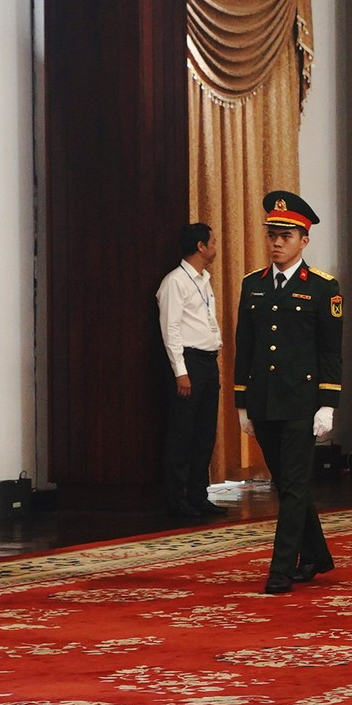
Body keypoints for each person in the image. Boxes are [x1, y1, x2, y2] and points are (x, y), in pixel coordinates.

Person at [234, 191, 341, 594]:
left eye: (286, 236)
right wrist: (241, 401)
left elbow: (330, 351)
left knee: (295, 485)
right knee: (287, 484)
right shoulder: (253, 285)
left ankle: (281, 569)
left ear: (304, 241)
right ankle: (316, 555)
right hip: (263, 401)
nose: (277, 243)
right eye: (272, 235)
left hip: (301, 402)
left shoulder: (323, 288)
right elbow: (245, 346)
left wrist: (328, 404)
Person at [157, 222, 224, 520]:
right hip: (189, 363)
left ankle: (199, 495)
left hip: (208, 362)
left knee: (204, 433)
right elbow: (170, 329)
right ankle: (177, 499)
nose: (215, 247)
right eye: (212, 242)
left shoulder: (204, 279)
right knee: (182, 433)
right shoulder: (175, 282)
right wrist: (180, 371)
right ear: (200, 246)